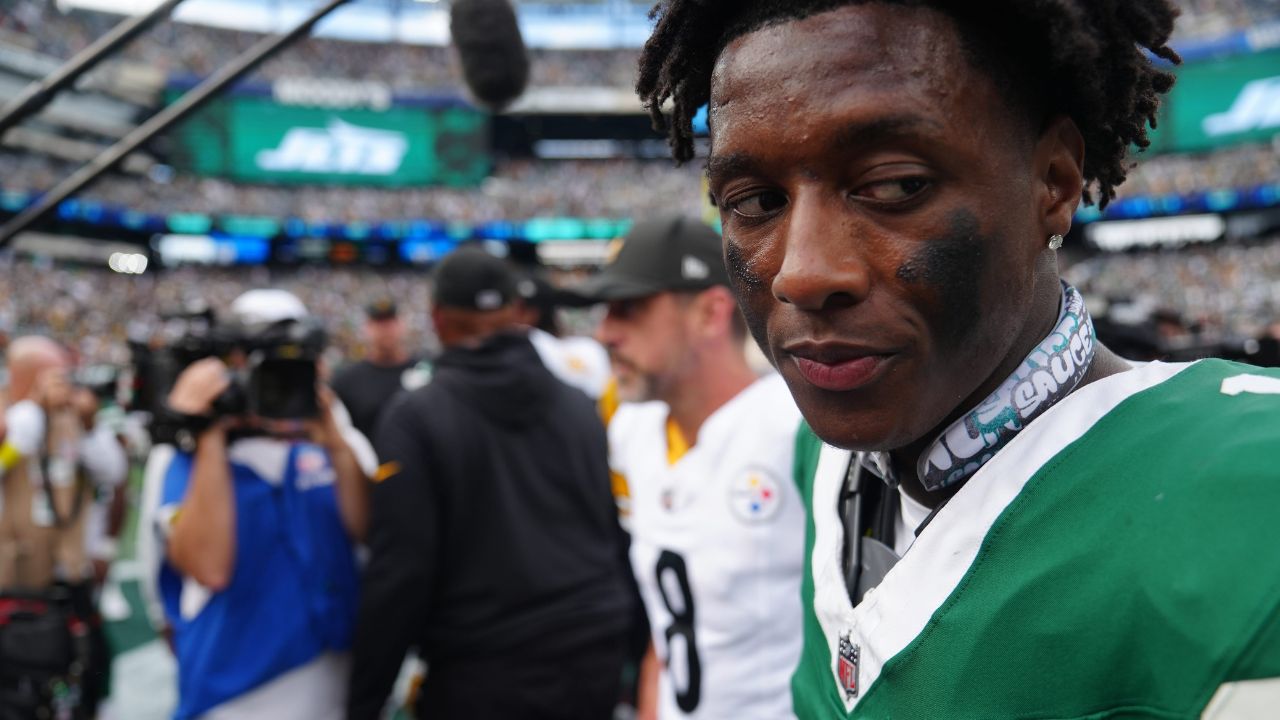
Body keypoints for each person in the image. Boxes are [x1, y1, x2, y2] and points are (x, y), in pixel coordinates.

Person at [636, 2, 1280, 717]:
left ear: (1055, 181)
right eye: (755, 200)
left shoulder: (1252, 499)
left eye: (894, 184)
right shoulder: (828, 464)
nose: (803, 273)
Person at [349, 247, 631, 720]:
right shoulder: (580, 404)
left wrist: (365, 701)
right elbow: (613, 532)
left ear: (437, 318)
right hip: (594, 655)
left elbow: (401, 572)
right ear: (513, 312)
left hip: (484, 667)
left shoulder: (417, 417)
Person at [579, 215, 805, 719]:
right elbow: (668, 626)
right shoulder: (631, 433)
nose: (604, 332)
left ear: (709, 313)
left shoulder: (793, 429)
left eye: (628, 308)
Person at [153, 289, 375, 720]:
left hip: (335, 687)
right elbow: (209, 566)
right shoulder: (183, 457)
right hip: (233, 695)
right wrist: (210, 431)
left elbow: (372, 529)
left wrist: (334, 442)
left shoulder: (341, 443)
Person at [0, 336, 124, 717]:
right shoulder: (13, 421)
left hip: (71, 583)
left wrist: (85, 426)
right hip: (16, 587)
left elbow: (114, 472)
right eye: (53, 376)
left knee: (87, 673)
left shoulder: (76, 425)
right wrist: (29, 416)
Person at [330, 299, 431, 441]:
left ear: (401, 325)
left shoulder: (426, 370)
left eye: (390, 322)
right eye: (378, 323)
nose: (385, 330)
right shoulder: (346, 381)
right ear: (366, 328)